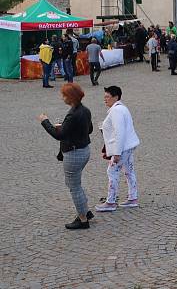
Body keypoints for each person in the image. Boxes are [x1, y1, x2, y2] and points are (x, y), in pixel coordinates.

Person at [38, 83, 93, 229]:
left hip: (74, 154)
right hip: (84, 150)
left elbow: (59, 135)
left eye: (64, 96)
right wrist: (65, 126)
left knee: (74, 186)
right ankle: (86, 211)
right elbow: (90, 129)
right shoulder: (85, 110)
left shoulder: (73, 114)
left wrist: (45, 122)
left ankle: (82, 219)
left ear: (70, 97)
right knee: (77, 184)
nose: (62, 98)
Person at [95, 86, 141, 212]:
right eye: (104, 96)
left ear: (115, 97)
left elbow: (119, 132)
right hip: (129, 145)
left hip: (123, 147)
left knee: (112, 171)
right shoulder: (122, 108)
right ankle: (133, 197)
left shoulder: (116, 111)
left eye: (107, 97)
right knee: (129, 170)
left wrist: (116, 153)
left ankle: (111, 201)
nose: (105, 99)